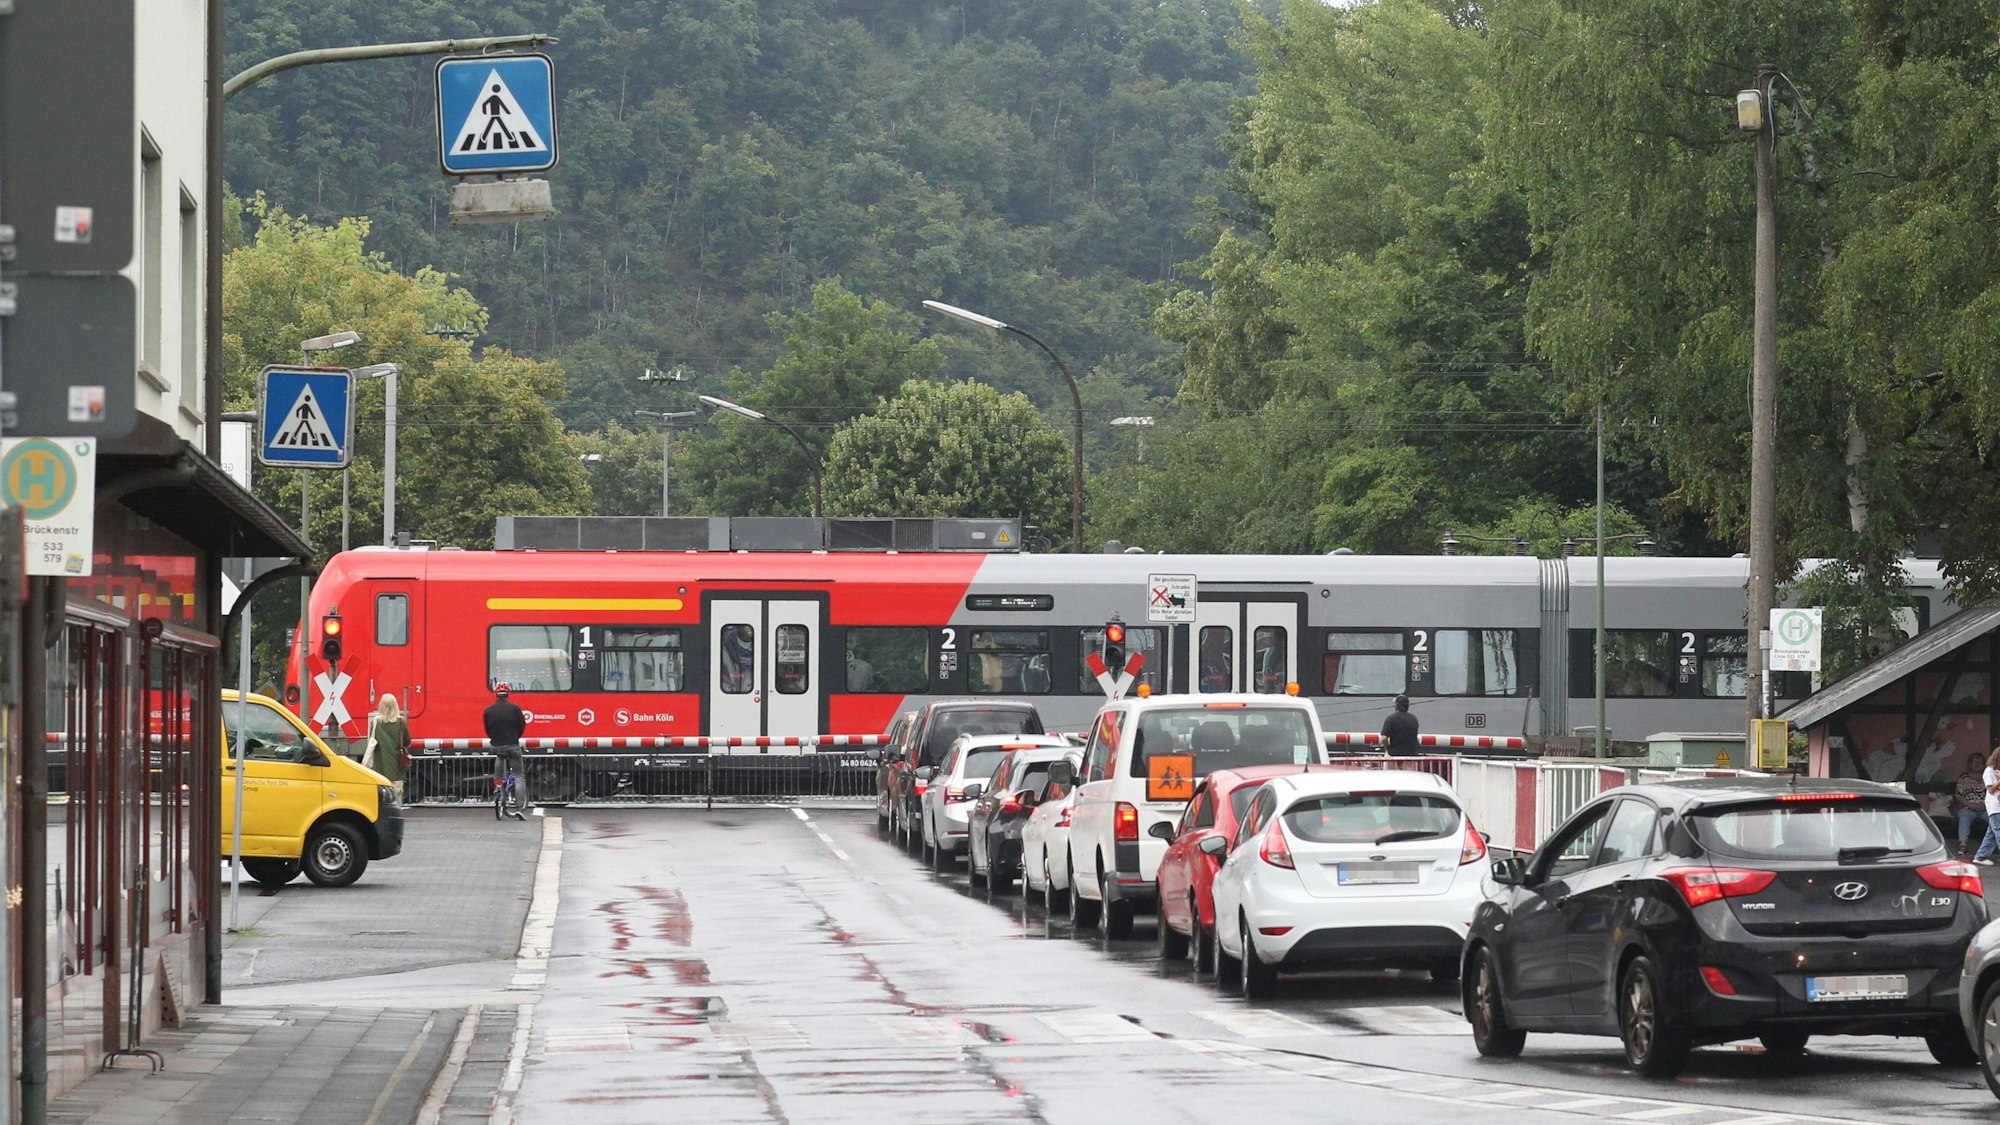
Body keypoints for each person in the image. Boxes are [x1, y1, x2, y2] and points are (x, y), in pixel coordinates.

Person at [484, 682, 529, 806]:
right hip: (512, 745)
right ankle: (520, 805)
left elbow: (487, 729)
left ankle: (498, 786)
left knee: (499, 756)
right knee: (519, 775)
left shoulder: (488, 710)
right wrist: (515, 737)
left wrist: (495, 739)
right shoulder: (515, 709)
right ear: (508, 694)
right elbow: (521, 726)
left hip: (496, 745)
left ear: (496, 694)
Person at [366, 694, 411, 800]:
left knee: (381, 796)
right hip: (397, 765)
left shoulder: (376, 722)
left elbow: (372, 740)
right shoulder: (401, 722)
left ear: (381, 706)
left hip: (379, 765)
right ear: (395, 706)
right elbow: (407, 741)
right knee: (396, 795)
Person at [1974, 746, 2000, 865]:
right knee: (1998, 831)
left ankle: (1980, 856)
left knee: (1992, 833)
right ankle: (1980, 856)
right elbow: (1990, 789)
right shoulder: (1989, 771)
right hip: (1995, 806)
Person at [1956, 758, 1988, 855]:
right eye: (1974, 762)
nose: (1977, 764)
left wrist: (1986, 806)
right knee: (1964, 817)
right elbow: (1959, 796)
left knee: (1996, 818)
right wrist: (1971, 805)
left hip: (1986, 808)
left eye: (1979, 762)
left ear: (1984, 764)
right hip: (1968, 808)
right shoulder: (1963, 778)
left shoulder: (1988, 777)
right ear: (1970, 764)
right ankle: (1963, 846)